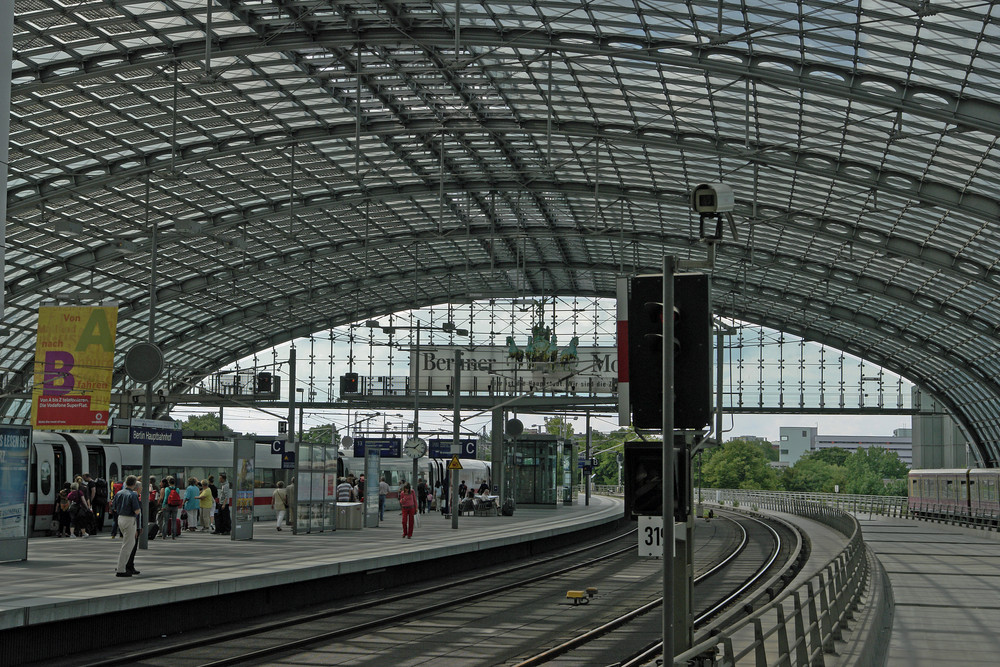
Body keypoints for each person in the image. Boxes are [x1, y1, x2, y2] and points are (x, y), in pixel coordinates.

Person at [113, 475, 141, 577]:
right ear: (134, 484)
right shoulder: (133, 495)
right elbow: (136, 510)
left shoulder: (119, 493)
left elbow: (114, 508)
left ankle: (122, 567)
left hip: (120, 518)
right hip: (129, 519)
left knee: (126, 543)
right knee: (128, 545)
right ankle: (121, 569)